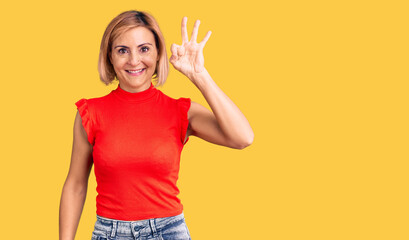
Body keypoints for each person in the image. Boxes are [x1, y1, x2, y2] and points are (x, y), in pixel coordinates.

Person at [59, 10, 254, 240]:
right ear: (109, 56)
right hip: (109, 233)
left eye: (144, 49)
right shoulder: (90, 113)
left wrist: (199, 75)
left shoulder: (181, 111)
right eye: (123, 50)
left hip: (168, 232)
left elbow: (243, 137)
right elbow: (76, 184)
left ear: (158, 53)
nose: (134, 60)